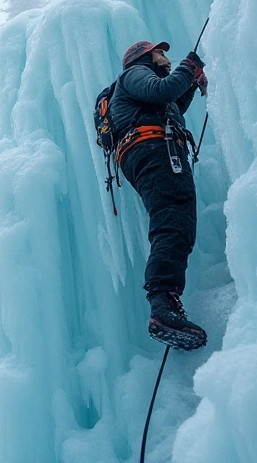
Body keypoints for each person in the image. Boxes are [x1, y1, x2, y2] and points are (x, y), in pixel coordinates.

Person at [110, 40, 208, 350]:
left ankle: (166, 300)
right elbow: (163, 92)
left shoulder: (144, 88)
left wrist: (189, 83)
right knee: (173, 215)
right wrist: (190, 65)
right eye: (160, 53)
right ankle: (163, 303)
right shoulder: (135, 74)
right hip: (153, 148)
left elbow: (172, 106)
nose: (165, 57)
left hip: (150, 148)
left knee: (176, 218)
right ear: (143, 57)